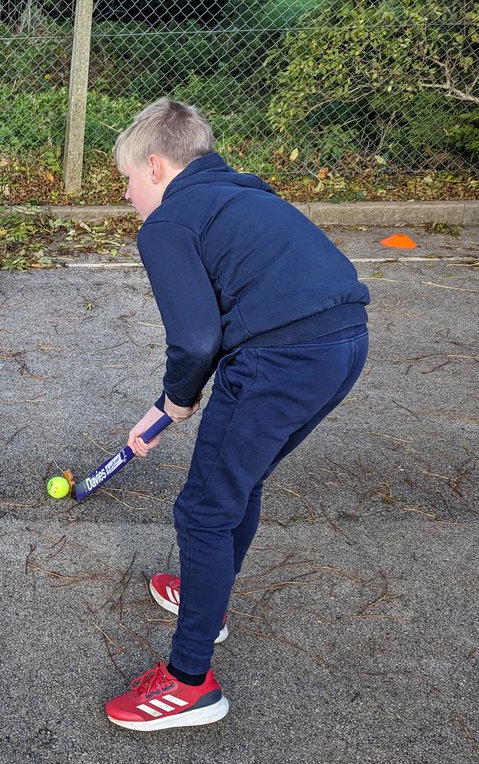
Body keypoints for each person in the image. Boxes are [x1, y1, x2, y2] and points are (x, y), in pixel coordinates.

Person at [103, 98, 370, 731]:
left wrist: (172, 403)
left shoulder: (168, 223)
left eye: (129, 181)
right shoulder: (246, 194)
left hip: (283, 359)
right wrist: (172, 404)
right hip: (345, 343)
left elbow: (195, 339)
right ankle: (207, 601)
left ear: (158, 167)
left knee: (203, 509)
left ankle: (190, 683)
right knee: (235, 484)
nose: (130, 197)